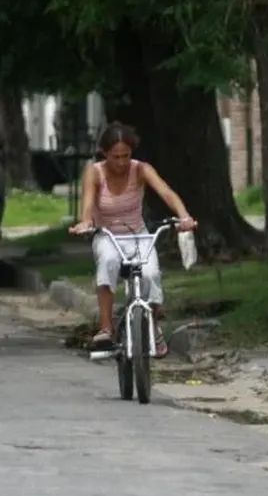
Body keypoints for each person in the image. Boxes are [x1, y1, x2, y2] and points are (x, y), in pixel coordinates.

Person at [68, 122, 197, 356]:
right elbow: (87, 205)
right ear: (105, 153)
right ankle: (106, 328)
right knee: (108, 263)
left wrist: (184, 216)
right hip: (107, 235)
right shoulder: (94, 173)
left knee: (151, 275)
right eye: (115, 157)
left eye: (125, 156)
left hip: (138, 235)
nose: (121, 163)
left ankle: (151, 325)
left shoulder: (141, 169)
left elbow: (167, 193)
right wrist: (86, 222)